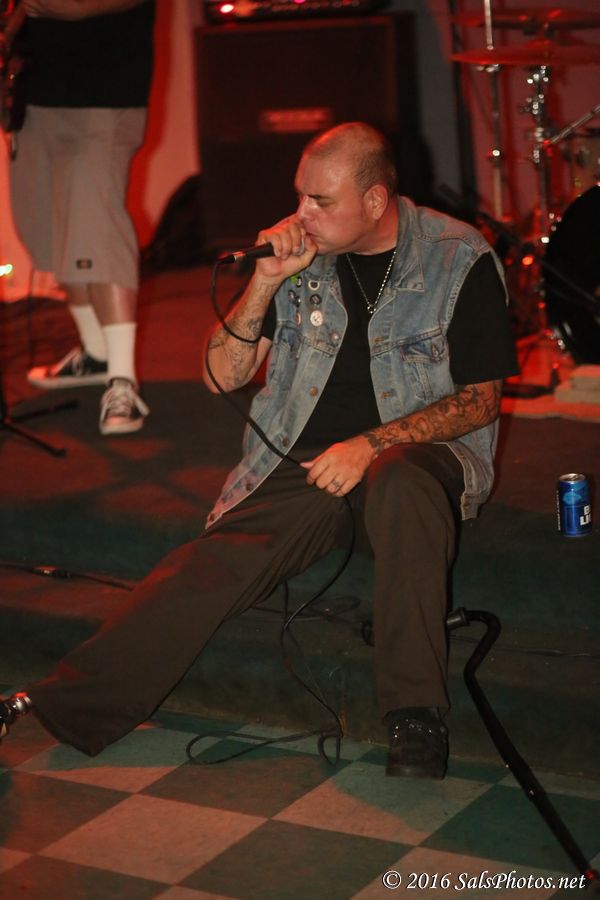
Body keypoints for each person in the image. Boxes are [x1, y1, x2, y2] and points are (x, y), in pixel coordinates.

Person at [0, 122, 518, 778]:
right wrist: (265, 282)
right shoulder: (301, 260)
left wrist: (369, 444)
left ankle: (415, 715)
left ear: (375, 201)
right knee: (209, 566)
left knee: (400, 481)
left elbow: (479, 402)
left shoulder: (456, 257)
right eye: (300, 195)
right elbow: (220, 376)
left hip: (415, 456)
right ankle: (53, 701)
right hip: (308, 464)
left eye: (320, 201)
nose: (302, 213)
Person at [9, 0, 155, 434]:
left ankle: (123, 382)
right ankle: (96, 354)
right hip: (36, 94)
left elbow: (72, 5)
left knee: (98, 235)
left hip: (104, 98)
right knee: (52, 235)